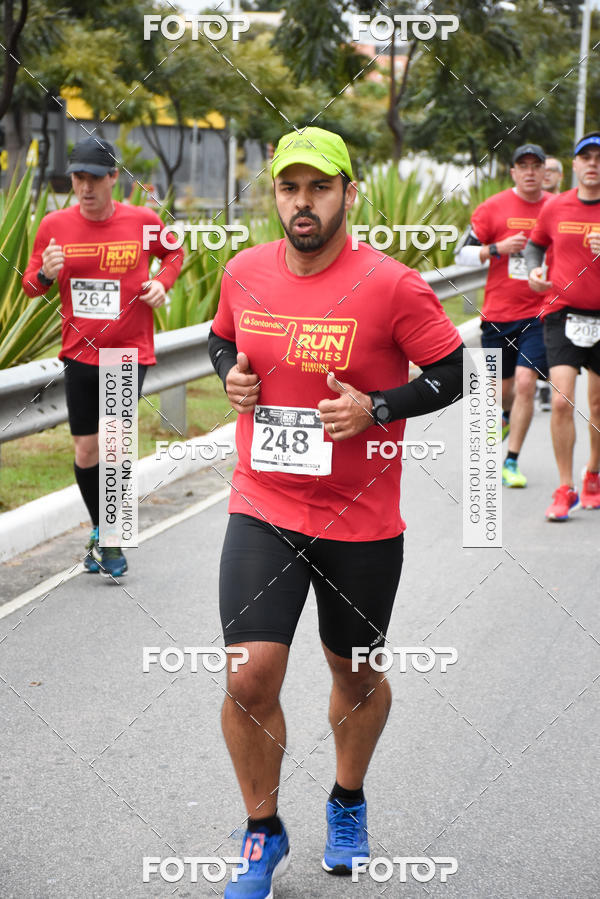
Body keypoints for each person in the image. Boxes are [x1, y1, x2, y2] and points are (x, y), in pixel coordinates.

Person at [208, 126, 464, 898]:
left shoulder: (392, 284)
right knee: (249, 674)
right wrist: (233, 379)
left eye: (319, 187)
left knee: (352, 673)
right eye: (290, 187)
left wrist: (379, 406)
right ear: (277, 196)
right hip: (264, 503)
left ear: (348, 194)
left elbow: (454, 373)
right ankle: (262, 831)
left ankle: (347, 799)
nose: (303, 202)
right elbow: (223, 344)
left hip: (360, 519)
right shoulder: (245, 272)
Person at [22, 137, 183, 576]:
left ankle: (110, 538)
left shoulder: (143, 220)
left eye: (94, 178)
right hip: (79, 354)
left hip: (126, 353)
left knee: (113, 448)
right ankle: (101, 527)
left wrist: (162, 284)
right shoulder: (54, 224)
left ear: (114, 177)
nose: (85, 187)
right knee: (86, 449)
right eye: (78, 178)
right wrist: (44, 273)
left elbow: (174, 253)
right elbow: (31, 286)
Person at [455, 143, 551, 488]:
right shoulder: (493, 208)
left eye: (535, 166)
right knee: (502, 390)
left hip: (539, 314)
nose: (529, 172)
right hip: (498, 314)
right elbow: (461, 254)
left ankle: (511, 461)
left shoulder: (557, 209)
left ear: (545, 171)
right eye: (522, 165)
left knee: (526, 383)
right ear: (513, 172)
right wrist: (496, 248)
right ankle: (505, 416)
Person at [525, 131, 600, 520]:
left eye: (599, 158)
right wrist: (534, 271)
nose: (593, 164)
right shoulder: (556, 208)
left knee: (598, 406)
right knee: (560, 400)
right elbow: (535, 245)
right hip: (562, 311)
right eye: (586, 157)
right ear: (574, 164)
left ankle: (593, 474)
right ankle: (565, 487)